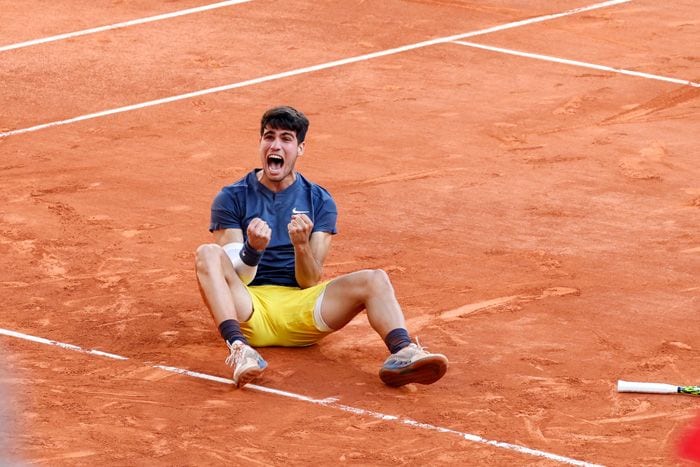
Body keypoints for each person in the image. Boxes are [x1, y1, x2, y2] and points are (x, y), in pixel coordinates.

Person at [195, 105, 448, 388]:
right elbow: (236, 273)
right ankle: (241, 350)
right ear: (260, 143)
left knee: (375, 279)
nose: (275, 145)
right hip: (249, 310)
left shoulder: (320, 201)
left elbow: (309, 280)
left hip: (302, 313)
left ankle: (403, 351)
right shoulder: (231, 197)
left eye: (286, 138)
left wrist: (301, 245)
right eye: (269, 136)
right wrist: (253, 250)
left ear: (300, 148)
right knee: (207, 253)